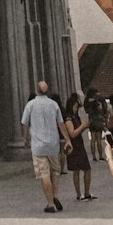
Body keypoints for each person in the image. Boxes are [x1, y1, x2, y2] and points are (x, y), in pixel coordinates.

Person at [20, 80, 72, 213]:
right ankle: (55, 195)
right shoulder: (54, 104)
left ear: (36, 90)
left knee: (44, 174)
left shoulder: (30, 105)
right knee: (55, 171)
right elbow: (61, 124)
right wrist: (67, 139)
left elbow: (25, 123)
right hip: (53, 144)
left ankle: (50, 203)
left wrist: (25, 139)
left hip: (38, 145)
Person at [62, 94, 95, 200]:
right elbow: (72, 133)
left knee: (86, 169)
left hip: (79, 145)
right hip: (74, 146)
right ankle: (79, 194)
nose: (77, 109)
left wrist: (84, 127)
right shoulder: (68, 119)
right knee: (77, 170)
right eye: (76, 106)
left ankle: (86, 192)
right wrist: (82, 127)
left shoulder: (76, 117)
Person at [85, 87, 107, 161]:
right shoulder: (99, 99)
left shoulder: (87, 99)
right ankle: (100, 156)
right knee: (99, 140)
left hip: (91, 119)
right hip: (98, 119)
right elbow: (103, 109)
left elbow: (86, 110)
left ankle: (94, 156)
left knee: (93, 139)